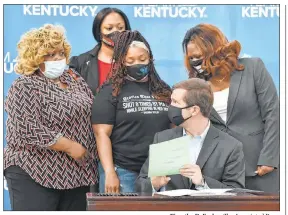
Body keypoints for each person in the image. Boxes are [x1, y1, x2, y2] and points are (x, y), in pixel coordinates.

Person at [4, 24, 98, 211]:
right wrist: (70, 146)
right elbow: (27, 129)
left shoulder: (74, 79)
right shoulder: (24, 85)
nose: (57, 59)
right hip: (34, 171)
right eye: (49, 54)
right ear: (34, 57)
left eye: (60, 53)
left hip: (76, 174)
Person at [182, 23, 279, 192]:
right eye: (191, 58)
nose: (195, 61)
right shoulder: (195, 85)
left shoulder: (253, 68)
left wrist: (270, 157)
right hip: (217, 173)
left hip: (259, 166)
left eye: (199, 55)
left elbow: (273, 114)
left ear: (216, 50)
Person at [92, 30, 172, 193]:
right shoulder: (110, 91)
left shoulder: (163, 90)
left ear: (151, 59)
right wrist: (110, 172)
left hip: (158, 171)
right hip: (123, 171)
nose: (138, 64)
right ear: (121, 62)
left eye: (142, 59)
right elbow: (102, 134)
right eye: (131, 60)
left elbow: (172, 129)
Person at [135, 78, 245, 193]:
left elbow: (236, 193)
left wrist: (203, 182)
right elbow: (140, 184)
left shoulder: (231, 146)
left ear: (194, 110)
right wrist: (154, 184)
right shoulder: (163, 139)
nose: (171, 107)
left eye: (175, 102)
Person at [69, 7, 131, 95]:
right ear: (99, 31)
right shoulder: (80, 63)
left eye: (120, 27)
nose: (116, 32)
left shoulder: (137, 60)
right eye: (109, 28)